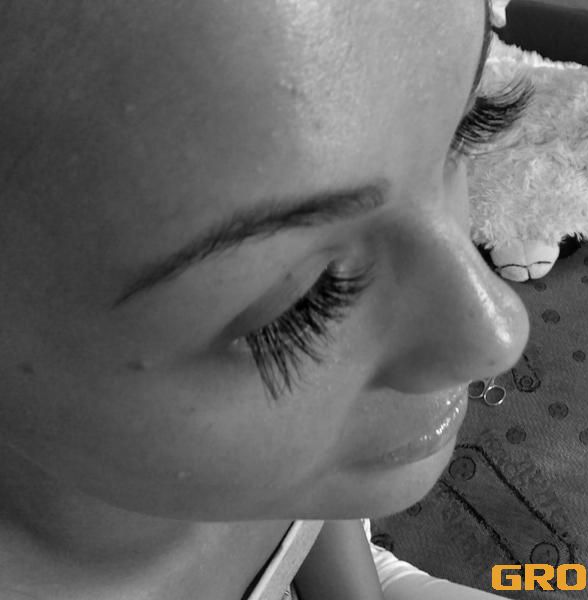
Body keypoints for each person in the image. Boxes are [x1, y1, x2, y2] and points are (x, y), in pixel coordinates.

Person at [0, 0, 530, 598]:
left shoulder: (277, 465)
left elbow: (308, 526)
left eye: (465, 131)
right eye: (298, 303)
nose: (499, 333)